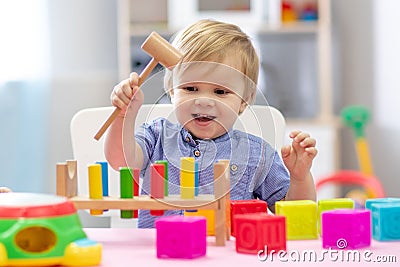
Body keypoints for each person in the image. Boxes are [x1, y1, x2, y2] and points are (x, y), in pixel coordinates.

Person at [105, 19, 317, 228]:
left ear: (244, 100)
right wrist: (124, 115)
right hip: (161, 255)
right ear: (171, 89)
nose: (204, 100)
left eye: (220, 92)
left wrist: (299, 178)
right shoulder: (156, 135)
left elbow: (294, 213)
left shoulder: (258, 154)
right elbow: (121, 161)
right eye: (190, 88)